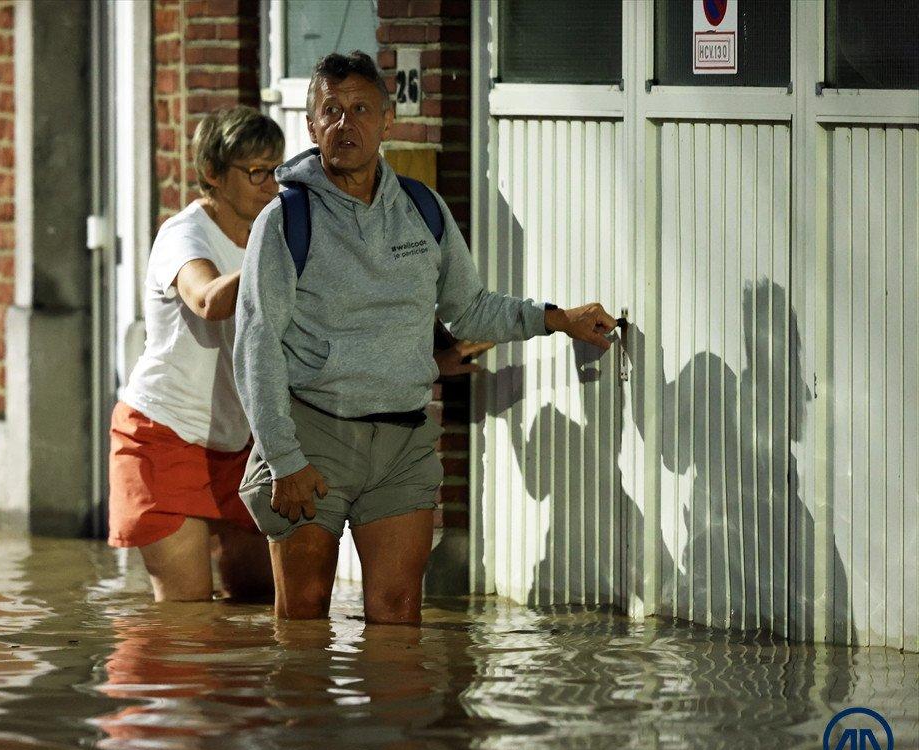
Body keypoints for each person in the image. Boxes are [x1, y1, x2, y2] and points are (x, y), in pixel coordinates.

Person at [234, 51, 619, 625]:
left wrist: (556, 319)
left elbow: (469, 311)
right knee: (304, 617)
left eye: (361, 109)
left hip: (403, 443)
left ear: (387, 121)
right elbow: (256, 345)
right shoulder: (284, 219)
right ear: (311, 126)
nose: (345, 124)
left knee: (399, 618)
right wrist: (284, 458)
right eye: (331, 111)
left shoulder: (422, 208)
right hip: (312, 436)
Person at [108, 106, 284, 603]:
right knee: (186, 623)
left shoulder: (270, 231)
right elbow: (207, 300)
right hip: (163, 435)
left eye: (276, 170)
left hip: (238, 446)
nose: (271, 185)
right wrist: (276, 263)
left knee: (260, 604)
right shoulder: (184, 234)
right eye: (256, 172)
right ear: (213, 173)